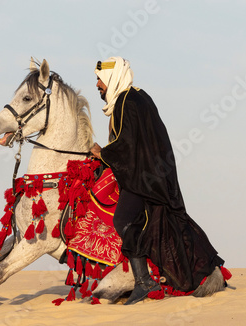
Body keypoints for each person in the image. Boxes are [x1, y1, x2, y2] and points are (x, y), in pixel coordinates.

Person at [90, 57, 224, 305]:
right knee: (161, 225)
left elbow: (126, 144)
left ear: (111, 77)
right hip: (154, 175)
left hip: (143, 178)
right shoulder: (138, 96)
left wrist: (102, 153)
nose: (97, 84)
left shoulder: (125, 102)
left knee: (123, 220)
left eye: (99, 79)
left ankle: (144, 281)